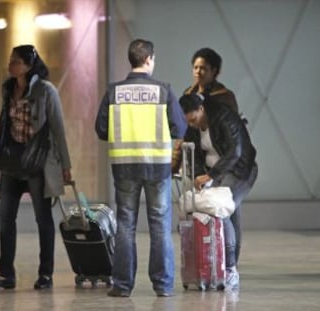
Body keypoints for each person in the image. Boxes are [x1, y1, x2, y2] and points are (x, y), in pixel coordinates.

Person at [95, 38, 187, 297]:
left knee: (126, 224)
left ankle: (123, 285)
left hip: (124, 167)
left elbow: (101, 129)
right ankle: (163, 285)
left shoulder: (114, 92)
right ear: (148, 59)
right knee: (159, 224)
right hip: (157, 167)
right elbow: (180, 128)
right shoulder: (164, 90)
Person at [0, 45, 72, 290]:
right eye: (10, 61)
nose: (10, 65)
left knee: (43, 219)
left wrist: (66, 165)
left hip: (38, 162)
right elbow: (4, 123)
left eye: (15, 62)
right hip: (12, 161)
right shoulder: (7, 89)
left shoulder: (46, 90)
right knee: (5, 218)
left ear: (28, 65)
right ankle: (6, 275)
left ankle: (45, 274)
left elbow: (58, 129)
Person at [179, 93, 258, 290]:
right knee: (231, 213)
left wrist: (210, 175)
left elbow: (235, 151)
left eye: (194, 119)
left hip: (240, 171)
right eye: (188, 121)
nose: (192, 124)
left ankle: (230, 268)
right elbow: (195, 155)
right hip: (216, 174)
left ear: (201, 109)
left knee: (219, 210)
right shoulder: (193, 128)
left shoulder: (224, 117)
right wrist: (199, 176)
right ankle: (227, 268)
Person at [183, 47, 238, 113]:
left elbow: (232, 122)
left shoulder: (225, 97)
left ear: (213, 71)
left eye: (202, 68)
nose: (198, 71)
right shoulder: (188, 94)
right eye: (195, 68)